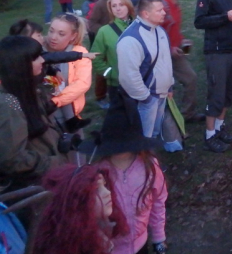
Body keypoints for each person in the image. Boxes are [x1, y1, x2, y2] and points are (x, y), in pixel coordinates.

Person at [79, 107, 168, 254]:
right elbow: (88, 214)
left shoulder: (149, 167)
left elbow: (158, 201)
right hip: (110, 248)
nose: (119, 148)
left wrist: (158, 237)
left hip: (141, 244)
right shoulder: (98, 173)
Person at [0, 36, 67, 190]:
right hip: (35, 187)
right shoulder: (10, 103)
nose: (42, 61)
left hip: (48, 179)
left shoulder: (27, 91)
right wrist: (53, 163)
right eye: (35, 58)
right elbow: (12, 159)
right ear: (20, 65)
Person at [194, 0, 232, 153]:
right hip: (216, 50)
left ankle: (219, 127)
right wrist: (225, 17)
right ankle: (209, 135)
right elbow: (199, 22)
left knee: (230, 93)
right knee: (216, 93)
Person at [32, 164, 129, 254]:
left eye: (104, 185)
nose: (107, 192)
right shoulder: (67, 245)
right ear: (76, 201)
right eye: (96, 189)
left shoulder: (97, 233)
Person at [117, 0, 173, 139]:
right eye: (159, 10)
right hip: (147, 99)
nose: (164, 13)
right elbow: (128, 76)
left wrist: (169, 87)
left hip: (161, 94)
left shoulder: (159, 30)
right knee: (143, 137)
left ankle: (151, 158)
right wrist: (146, 98)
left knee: (154, 133)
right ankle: (143, 160)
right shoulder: (131, 39)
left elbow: (165, 61)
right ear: (145, 14)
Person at [157, 0, 202, 124]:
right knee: (165, 88)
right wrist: (169, 48)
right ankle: (165, 121)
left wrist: (182, 40)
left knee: (191, 78)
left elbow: (173, 29)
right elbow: (154, 32)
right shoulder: (162, 6)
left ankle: (187, 114)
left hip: (176, 52)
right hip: (161, 54)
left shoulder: (176, 6)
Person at [45, 13, 92, 124]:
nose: (53, 37)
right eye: (51, 31)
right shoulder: (38, 48)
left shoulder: (80, 53)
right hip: (42, 115)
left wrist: (55, 101)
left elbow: (82, 83)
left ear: (73, 36)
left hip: (68, 116)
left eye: (61, 34)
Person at [92, 0, 135, 109]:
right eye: (114, 6)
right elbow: (96, 57)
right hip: (117, 85)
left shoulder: (139, 26)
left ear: (128, 6)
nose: (118, 8)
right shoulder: (104, 31)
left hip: (141, 81)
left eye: (121, 5)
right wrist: (110, 74)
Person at [89, 0, 126, 108]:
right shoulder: (101, 4)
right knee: (103, 70)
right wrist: (107, 32)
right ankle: (100, 96)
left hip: (122, 40)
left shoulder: (125, 0)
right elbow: (91, 23)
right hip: (105, 42)